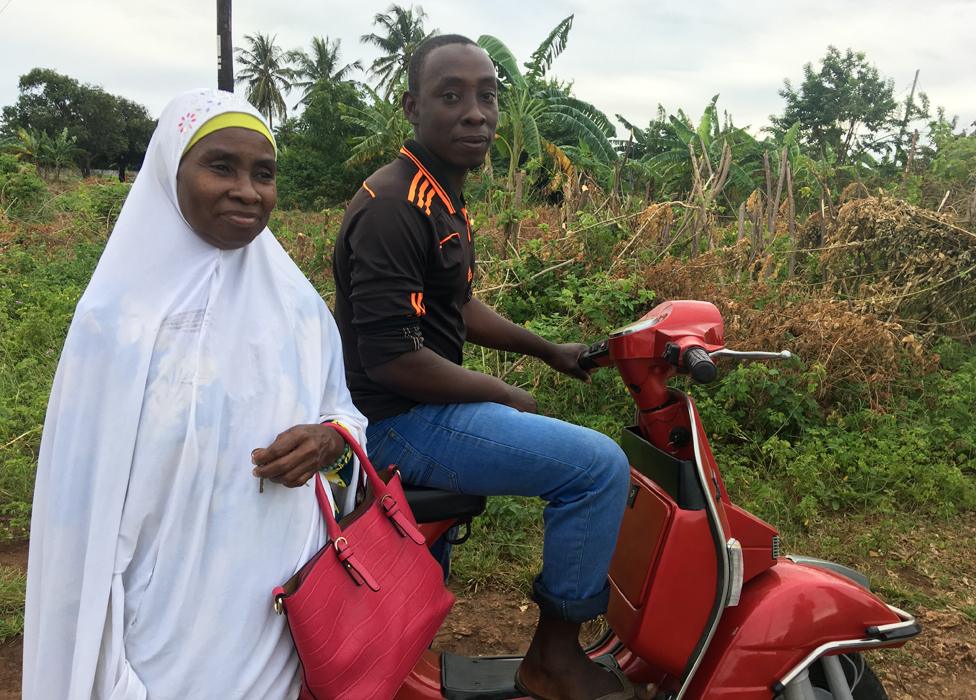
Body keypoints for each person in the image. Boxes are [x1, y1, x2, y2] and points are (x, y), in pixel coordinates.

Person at [23, 89, 367, 700]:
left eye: (264, 174)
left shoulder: (298, 310)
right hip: (158, 620)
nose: (247, 190)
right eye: (220, 167)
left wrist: (325, 439)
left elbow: (344, 415)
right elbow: (83, 512)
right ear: (168, 172)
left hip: (275, 606)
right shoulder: (117, 321)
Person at [333, 36, 646, 700]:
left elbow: (458, 305)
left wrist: (546, 350)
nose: (476, 113)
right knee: (596, 467)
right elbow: (393, 360)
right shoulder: (396, 206)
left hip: (420, 409)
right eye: (452, 96)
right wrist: (504, 394)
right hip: (398, 420)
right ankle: (555, 659)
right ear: (412, 107)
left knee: (422, 585)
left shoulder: (437, 191)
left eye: (487, 96)